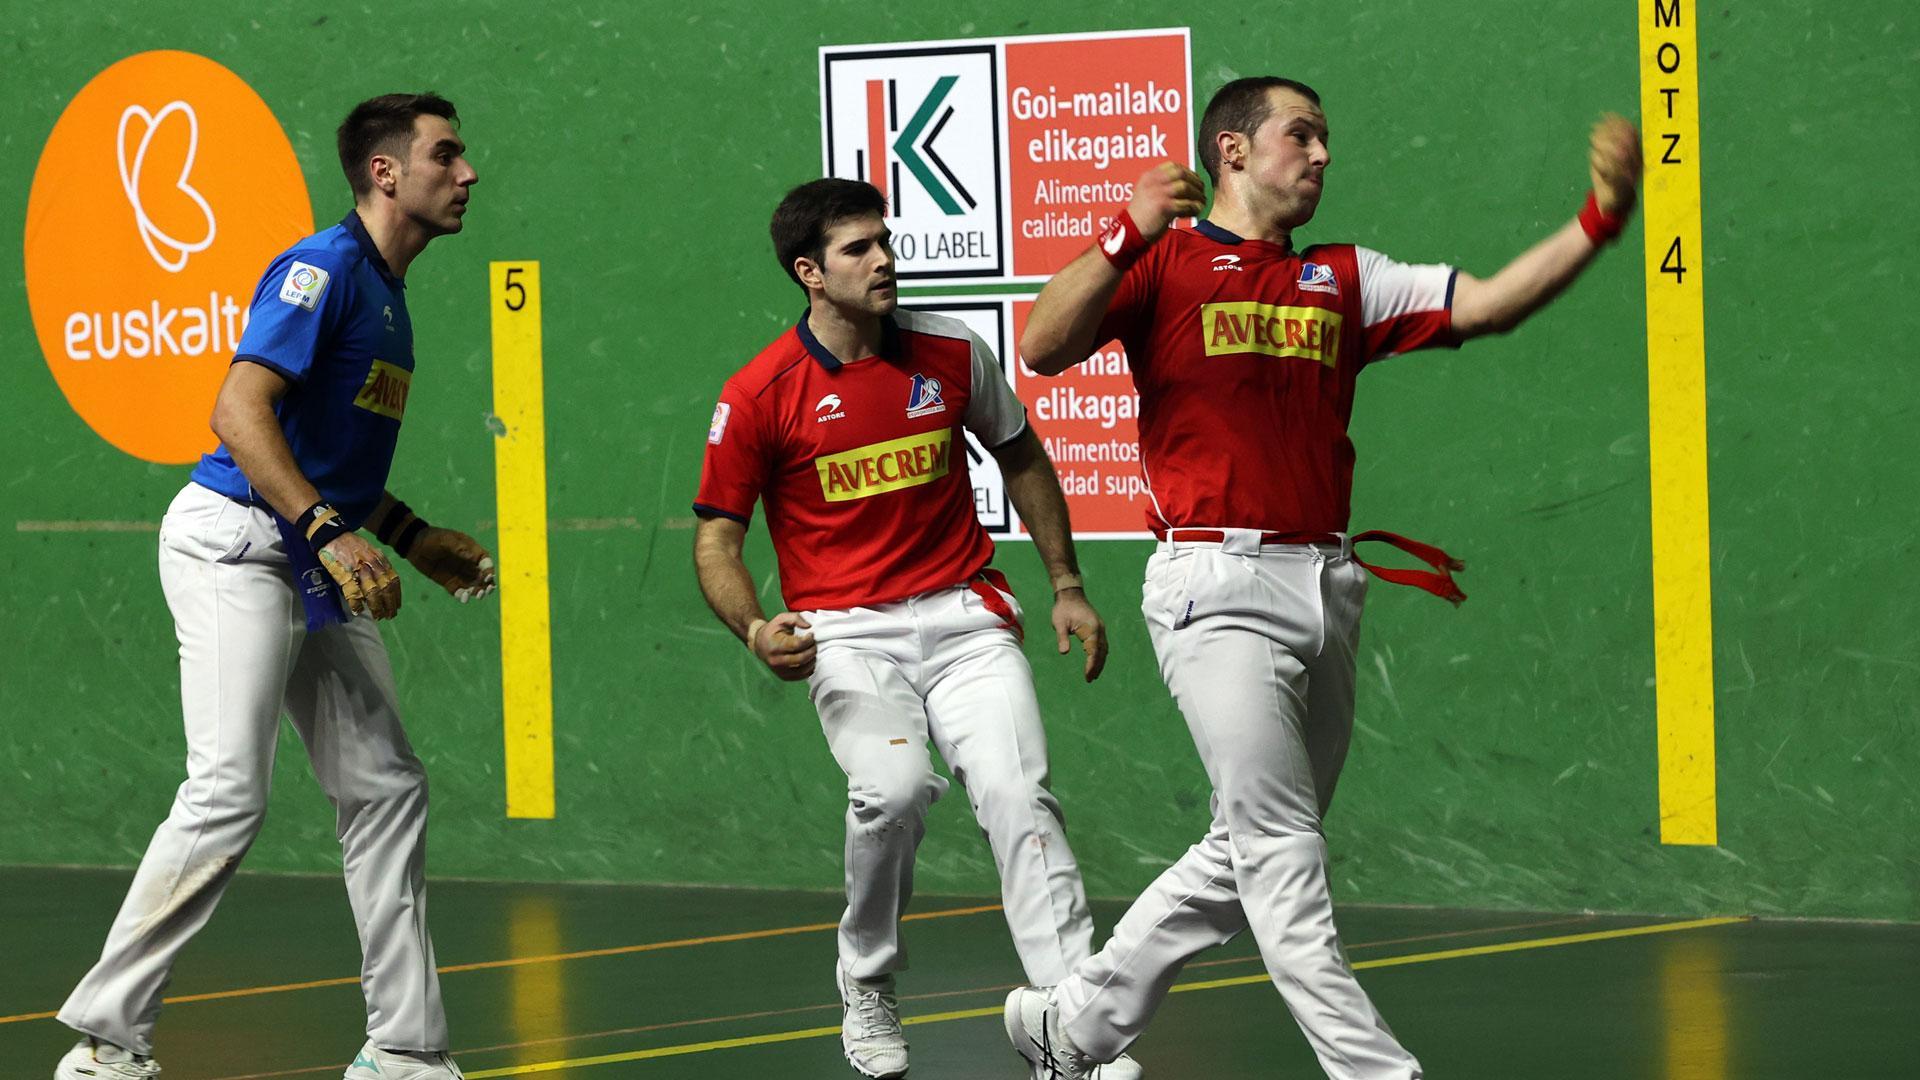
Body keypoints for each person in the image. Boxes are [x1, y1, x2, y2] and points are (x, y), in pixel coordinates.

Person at [1002, 76, 1643, 1079]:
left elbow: (1484, 305)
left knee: (1246, 846)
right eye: (1301, 135)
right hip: (1213, 585)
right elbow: (1040, 346)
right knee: (1285, 855)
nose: (1322, 154)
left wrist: (1599, 222)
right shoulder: (1164, 263)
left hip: (1328, 590)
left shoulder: (1344, 278)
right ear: (1233, 151)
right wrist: (1123, 232)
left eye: (1326, 138)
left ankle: (1072, 1026)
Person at [55, 93, 491, 1080]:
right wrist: (333, 533)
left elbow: (329, 461)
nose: (467, 174)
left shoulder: (391, 298)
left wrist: (411, 537)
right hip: (238, 545)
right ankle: (105, 1043)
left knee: (384, 783)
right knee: (227, 793)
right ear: (386, 173)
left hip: (307, 550)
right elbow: (238, 412)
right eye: (446, 155)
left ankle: (405, 1052)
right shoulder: (322, 270)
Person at [692, 178, 1140, 1080]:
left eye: (884, 240)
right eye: (859, 248)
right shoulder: (761, 393)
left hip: (964, 615)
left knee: (1020, 796)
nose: (885, 259)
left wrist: (1066, 582)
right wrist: (752, 628)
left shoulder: (947, 348)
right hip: (846, 634)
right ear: (809, 273)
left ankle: (1076, 1028)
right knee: (893, 791)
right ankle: (866, 980)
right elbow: (717, 538)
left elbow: (1021, 456)